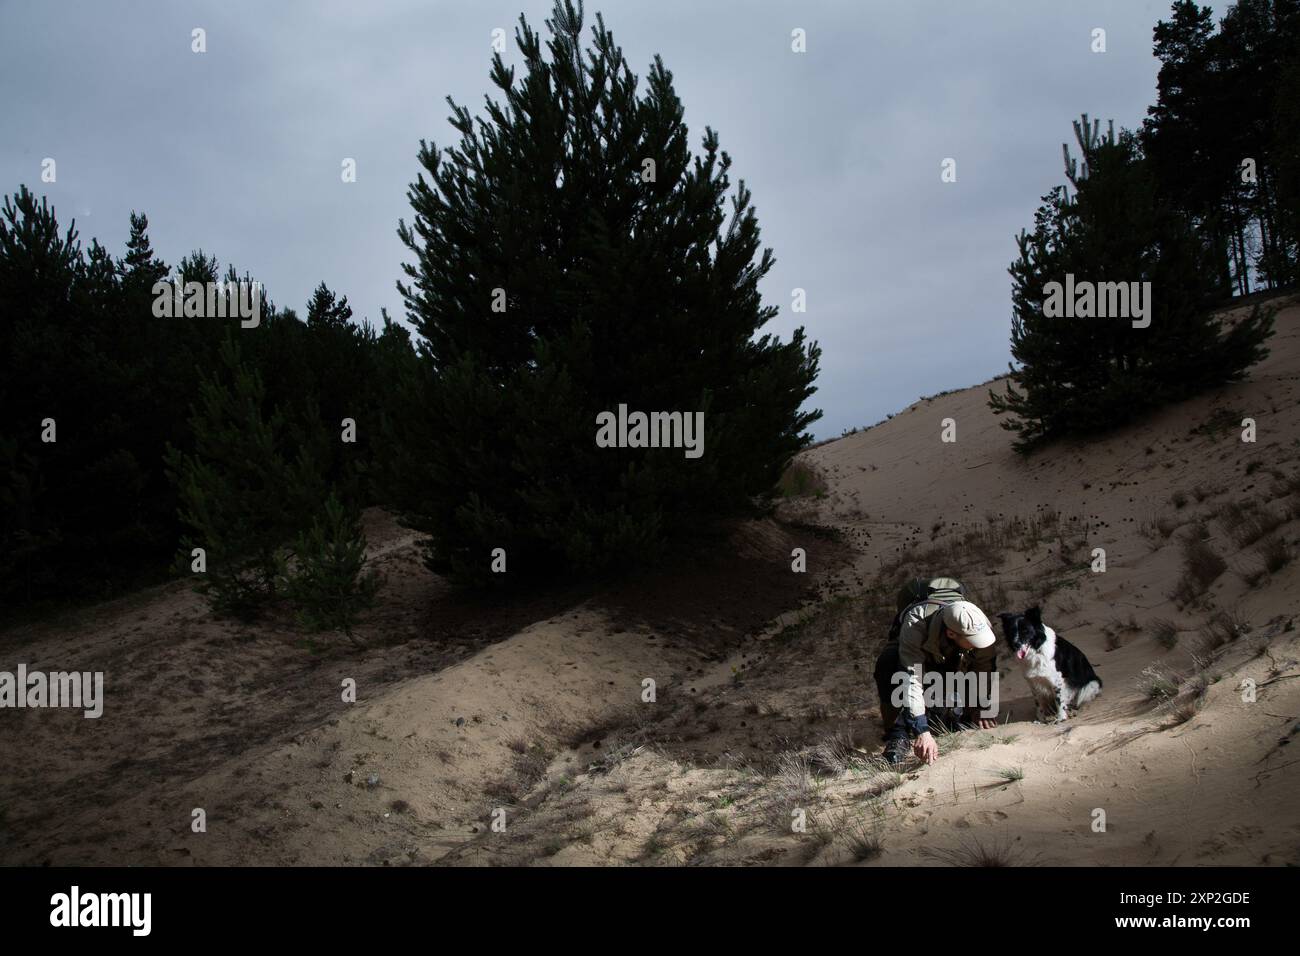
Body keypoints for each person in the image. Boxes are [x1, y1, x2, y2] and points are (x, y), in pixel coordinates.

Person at [873, 591, 998, 767]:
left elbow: (984, 667)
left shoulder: (980, 624)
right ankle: (898, 734)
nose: (978, 643)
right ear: (952, 634)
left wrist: (981, 706)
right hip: (919, 654)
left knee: (948, 706)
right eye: (972, 640)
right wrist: (921, 731)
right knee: (888, 663)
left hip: (950, 657)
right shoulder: (916, 624)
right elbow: (912, 678)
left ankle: (949, 712)